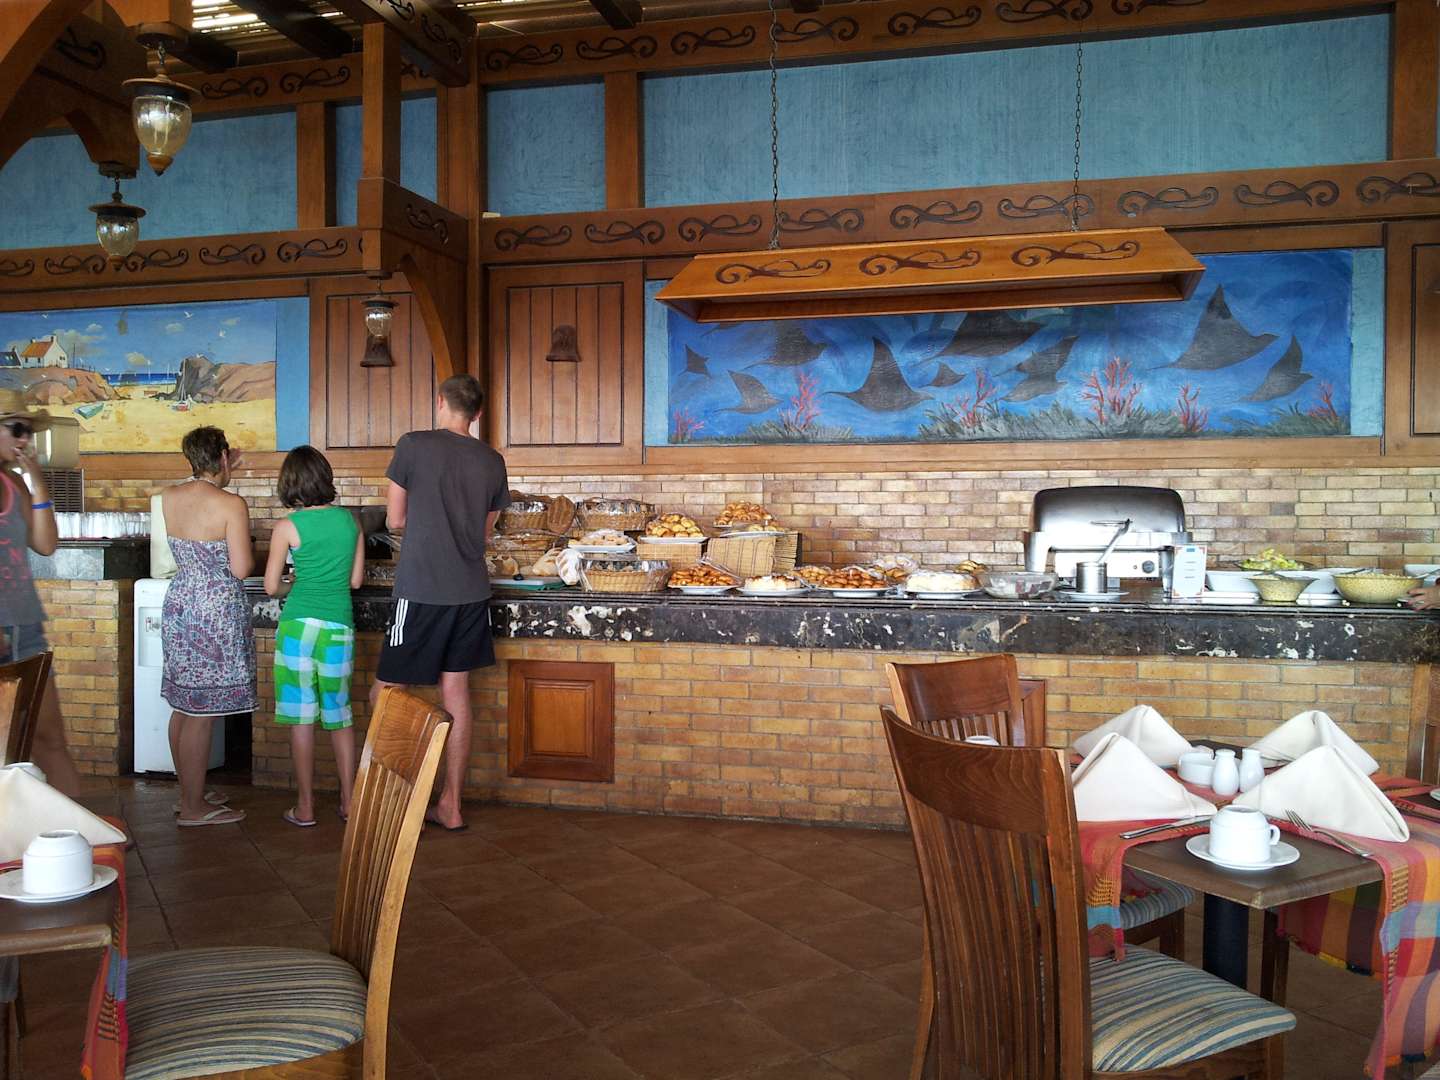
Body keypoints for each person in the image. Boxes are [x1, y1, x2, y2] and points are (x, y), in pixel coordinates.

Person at [371, 374, 510, 831]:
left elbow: (394, 519)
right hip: (471, 590)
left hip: (422, 589)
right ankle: (451, 805)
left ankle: (391, 799)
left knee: (385, 692)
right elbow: (484, 533)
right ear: (478, 414)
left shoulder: (413, 444)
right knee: (456, 693)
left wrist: (428, 520)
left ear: (440, 402)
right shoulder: (492, 460)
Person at [263, 446, 363, 827]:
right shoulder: (350, 522)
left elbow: (271, 586)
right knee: (339, 713)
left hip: (297, 628)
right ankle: (349, 802)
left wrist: (294, 583)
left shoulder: (287, 527)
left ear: (290, 483)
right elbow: (355, 581)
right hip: (338, 625)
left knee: (301, 717)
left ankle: (305, 807)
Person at [160, 426, 255, 826]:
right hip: (215, 610)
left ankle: (189, 793)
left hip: (181, 601)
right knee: (202, 711)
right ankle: (194, 808)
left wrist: (221, 467)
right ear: (223, 457)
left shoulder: (169, 496)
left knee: (184, 705)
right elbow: (242, 567)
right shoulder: (231, 504)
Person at [0, 391, 80, 796]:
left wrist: (37, 481)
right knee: (5, 749)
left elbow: (46, 544)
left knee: (48, 741)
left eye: (29, 431)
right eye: (16, 429)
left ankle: (81, 831)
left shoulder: (13, 482)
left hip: (25, 626)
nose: (25, 439)